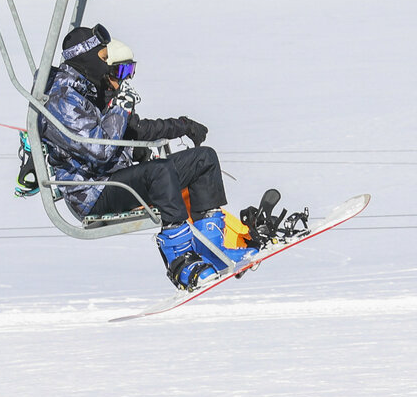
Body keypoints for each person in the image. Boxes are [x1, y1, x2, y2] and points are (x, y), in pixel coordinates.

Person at [39, 24, 264, 291]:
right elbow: (100, 151)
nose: (115, 74)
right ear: (85, 59)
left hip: (112, 180)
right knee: (158, 171)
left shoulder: (89, 92)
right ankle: (181, 261)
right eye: (102, 59)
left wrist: (181, 126)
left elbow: (135, 130)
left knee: (203, 159)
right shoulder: (63, 100)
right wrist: (121, 108)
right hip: (93, 192)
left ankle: (214, 248)